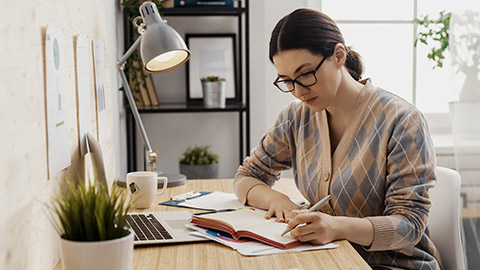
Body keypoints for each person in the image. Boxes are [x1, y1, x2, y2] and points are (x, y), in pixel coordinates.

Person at [234, 8, 441, 270]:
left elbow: (409, 225)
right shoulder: (296, 117)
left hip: (394, 264)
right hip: (326, 259)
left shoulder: (402, 120)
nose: (298, 91)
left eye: (306, 74)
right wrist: (278, 201)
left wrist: (337, 227)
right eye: (287, 81)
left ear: (339, 56)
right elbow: (247, 177)